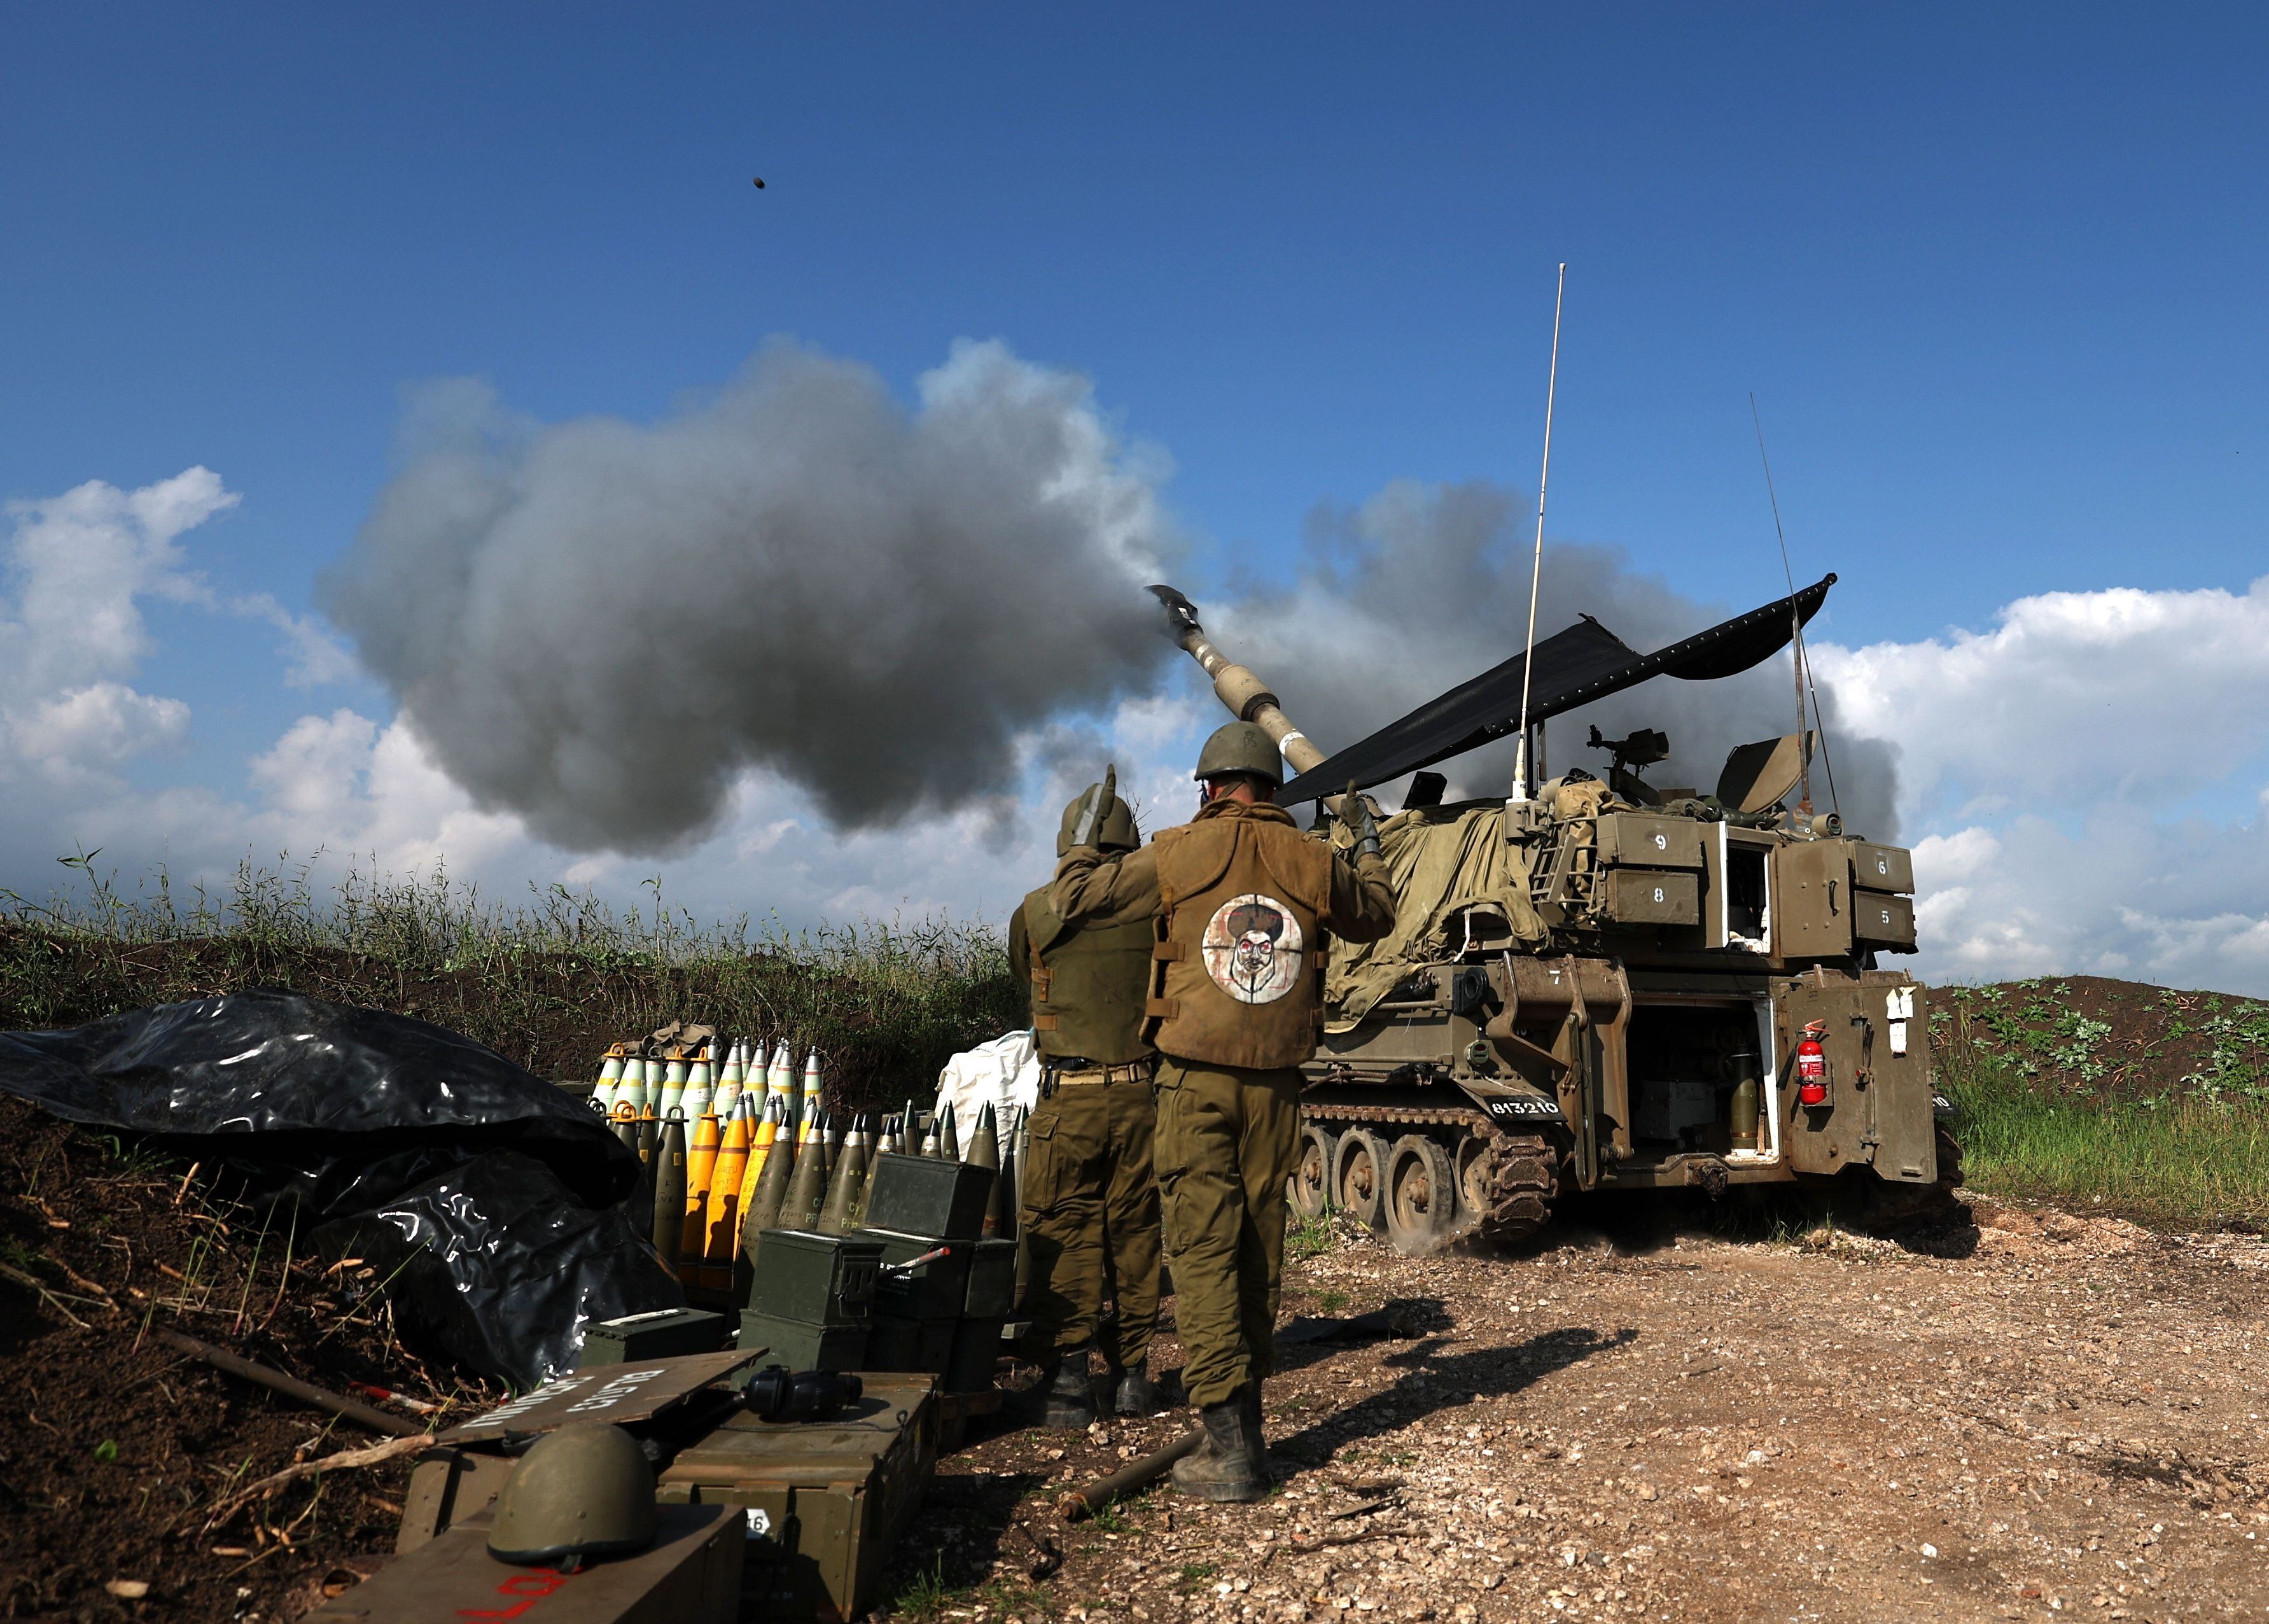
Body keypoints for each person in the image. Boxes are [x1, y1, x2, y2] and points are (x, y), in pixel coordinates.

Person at [1052, 722, 1395, 1502]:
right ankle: (1248, 1422)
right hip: (1275, 1085)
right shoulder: (1314, 859)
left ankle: (1228, 1445)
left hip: (1192, 1081)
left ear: (1208, 787)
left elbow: (1074, 898)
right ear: (1272, 787)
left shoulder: (1174, 850)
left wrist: (1082, 836)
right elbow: (1376, 911)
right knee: (1256, 1245)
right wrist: (1365, 836)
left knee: (1201, 1249)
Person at [1007, 781, 1166, 1427]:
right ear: (1127, 842)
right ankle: (1132, 1377)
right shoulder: (1157, 908)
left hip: (1066, 1101)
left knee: (1061, 1228)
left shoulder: (1034, 909)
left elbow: (1026, 981)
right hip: (1142, 1094)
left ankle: (1068, 1380)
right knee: (1135, 1230)